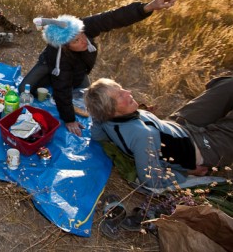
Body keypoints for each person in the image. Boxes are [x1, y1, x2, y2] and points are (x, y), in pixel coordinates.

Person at [19, 0, 180, 136]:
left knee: (94, 100)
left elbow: (113, 17)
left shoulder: (83, 27)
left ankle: (140, 112)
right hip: (49, 65)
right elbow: (62, 88)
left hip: (78, 69)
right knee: (24, 90)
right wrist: (69, 119)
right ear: (65, 46)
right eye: (76, 41)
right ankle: (48, 80)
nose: (83, 41)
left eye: (82, 35)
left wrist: (148, 7)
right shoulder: (58, 56)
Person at [84, 76, 233, 190]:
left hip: (178, 124)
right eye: (120, 95)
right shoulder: (142, 135)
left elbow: (97, 136)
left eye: (122, 89)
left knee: (228, 85)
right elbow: (151, 179)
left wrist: (98, 115)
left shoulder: (106, 120)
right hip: (203, 148)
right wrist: (187, 172)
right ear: (110, 110)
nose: (128, 92)